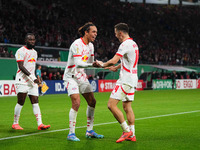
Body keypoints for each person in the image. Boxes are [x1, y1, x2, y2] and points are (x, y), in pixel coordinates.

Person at [97, 23, 138, 143]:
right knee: (127, 107)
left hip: (125, 80)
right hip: (133, 78)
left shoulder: (124, 44)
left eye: (116, 34)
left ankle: (126, 131)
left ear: (120, 33)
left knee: (111, 105)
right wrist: (117, 67)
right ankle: (132, 134)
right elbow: (128, 60)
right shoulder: (133, 43)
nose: (116, 36)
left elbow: (114, 60)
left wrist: (102, 64)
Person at [63, 22, 104, 141]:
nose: (95, 34)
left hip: (81, 76)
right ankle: (71, 133)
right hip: (71, 77)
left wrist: (101, 64)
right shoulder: (76, 44)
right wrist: (93, 63)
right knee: (76, 102)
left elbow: (91, 62)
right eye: (93, 32)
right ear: (86, 32)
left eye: (96, 32)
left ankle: (90, 131)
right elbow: (79, 63)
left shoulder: (91, 46)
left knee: (92, 101)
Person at [12, 33, 50, 130]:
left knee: (35, 101)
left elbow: (32, 67)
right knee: (21, 101)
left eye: (33, 40)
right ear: (26, 40)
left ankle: (40, 124)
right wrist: (33, 78)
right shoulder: (20, 51)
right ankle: (15, 123)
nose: (32, 41)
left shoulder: (35, 52)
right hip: (22, 80)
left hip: (32, 81)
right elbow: (21, 67)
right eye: (30, 40)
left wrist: (36, 77)